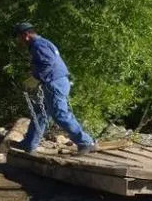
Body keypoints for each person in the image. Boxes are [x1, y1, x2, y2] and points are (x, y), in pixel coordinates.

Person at [12, 23, 96, 155]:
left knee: (60, 115)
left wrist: (34, 79)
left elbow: (48, 63)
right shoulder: (44, 42)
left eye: (18, 37)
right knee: (40, 112)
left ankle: (86, 142)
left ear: (26, 35)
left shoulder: (37, 45)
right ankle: (29, 144)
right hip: (56, 81)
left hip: (54, 83)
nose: (18, 41)